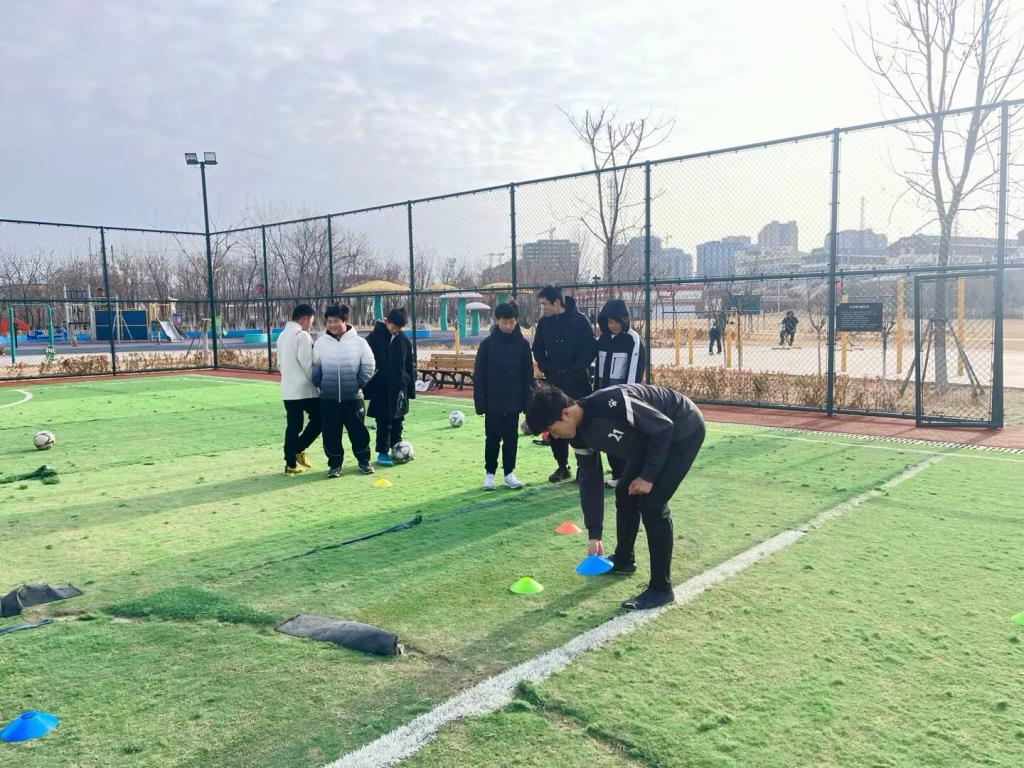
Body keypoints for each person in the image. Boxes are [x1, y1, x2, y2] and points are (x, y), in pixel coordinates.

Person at [525, 382, 705, 610]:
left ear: (566, 413)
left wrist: (648, 477)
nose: (555, 437)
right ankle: (624, 559)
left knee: (652, 505)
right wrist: (595, 535)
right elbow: (590, 480)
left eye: (552, 430)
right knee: (625, 492)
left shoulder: (613, 403)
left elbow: (663, 428)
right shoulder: (576, 435)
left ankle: (661, 589)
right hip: (649, 442)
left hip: (682, 428)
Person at [531, 285, 597, 483]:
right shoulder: (544, 323)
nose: (543, 308)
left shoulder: (579, 320)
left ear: (557, 302)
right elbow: (537, 349)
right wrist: (547, 367)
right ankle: (562, 466)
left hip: (578, 383)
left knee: (581, 426)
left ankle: (584, 467)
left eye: (545, 304)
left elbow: (591, 347)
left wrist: (577, 367)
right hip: (555, 384)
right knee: (554, 425)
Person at [473, 300, 533, 490]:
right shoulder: (487, 345)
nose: (508, 326)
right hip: (493, 402)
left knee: (511, 439)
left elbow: (528, 376)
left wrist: (527, 403)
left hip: (513, 401)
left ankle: (509, 473)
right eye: (505, 322)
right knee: (492, 439)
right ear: (497, 321)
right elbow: (479, 375)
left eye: (512, 322)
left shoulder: (522, 345)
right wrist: (480, 402)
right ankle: (490, 474)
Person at [311, 304, 376, 478]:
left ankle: (364, 461)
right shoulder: (321, 343)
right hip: (329, 399)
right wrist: (320, 383)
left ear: (345, 321)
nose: (332, 325)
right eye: (329, 321)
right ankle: (334, 465)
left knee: (358, 432)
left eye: (335, 321)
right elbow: (316, 366)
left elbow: (369, 365)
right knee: (331, 433)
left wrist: (359, 383)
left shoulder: (359, 343)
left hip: (353, 397)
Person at [594, 299, 647, 489]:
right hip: (603, 397)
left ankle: (628, 474)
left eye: (616, 321)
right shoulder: (603, 339)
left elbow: (635, 370)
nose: (613, 326)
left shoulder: (633, 340)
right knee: (608, 436)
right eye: (609, 322)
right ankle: (617, 474)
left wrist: (628, 396)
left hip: (623, 399)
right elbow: (597, 369)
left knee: (624, 436)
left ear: (625, 320)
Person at [364, 307, 416, 466]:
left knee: (398, 420)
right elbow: (366, 363)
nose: (395, 331)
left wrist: (409, 388)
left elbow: (409, 364)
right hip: (381, 388)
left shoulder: (404, 339)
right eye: (393, 327)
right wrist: (367, 387)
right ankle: (382, 452)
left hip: (400, 388)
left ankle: (396, 447)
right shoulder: (373, 338)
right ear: (387, 321)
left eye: (399, 328)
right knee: (383, 421)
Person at [277, 304, 322, 475]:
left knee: (293, 426)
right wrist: (317, 382)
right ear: (304, 318)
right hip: (304, 389)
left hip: (288, 389)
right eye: (311, 321)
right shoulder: (302, 335)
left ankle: (290, 464)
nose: (311, 324)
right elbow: (306, 364)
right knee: (320, 419)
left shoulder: (282, 335)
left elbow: (279, 363)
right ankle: (299, 448)